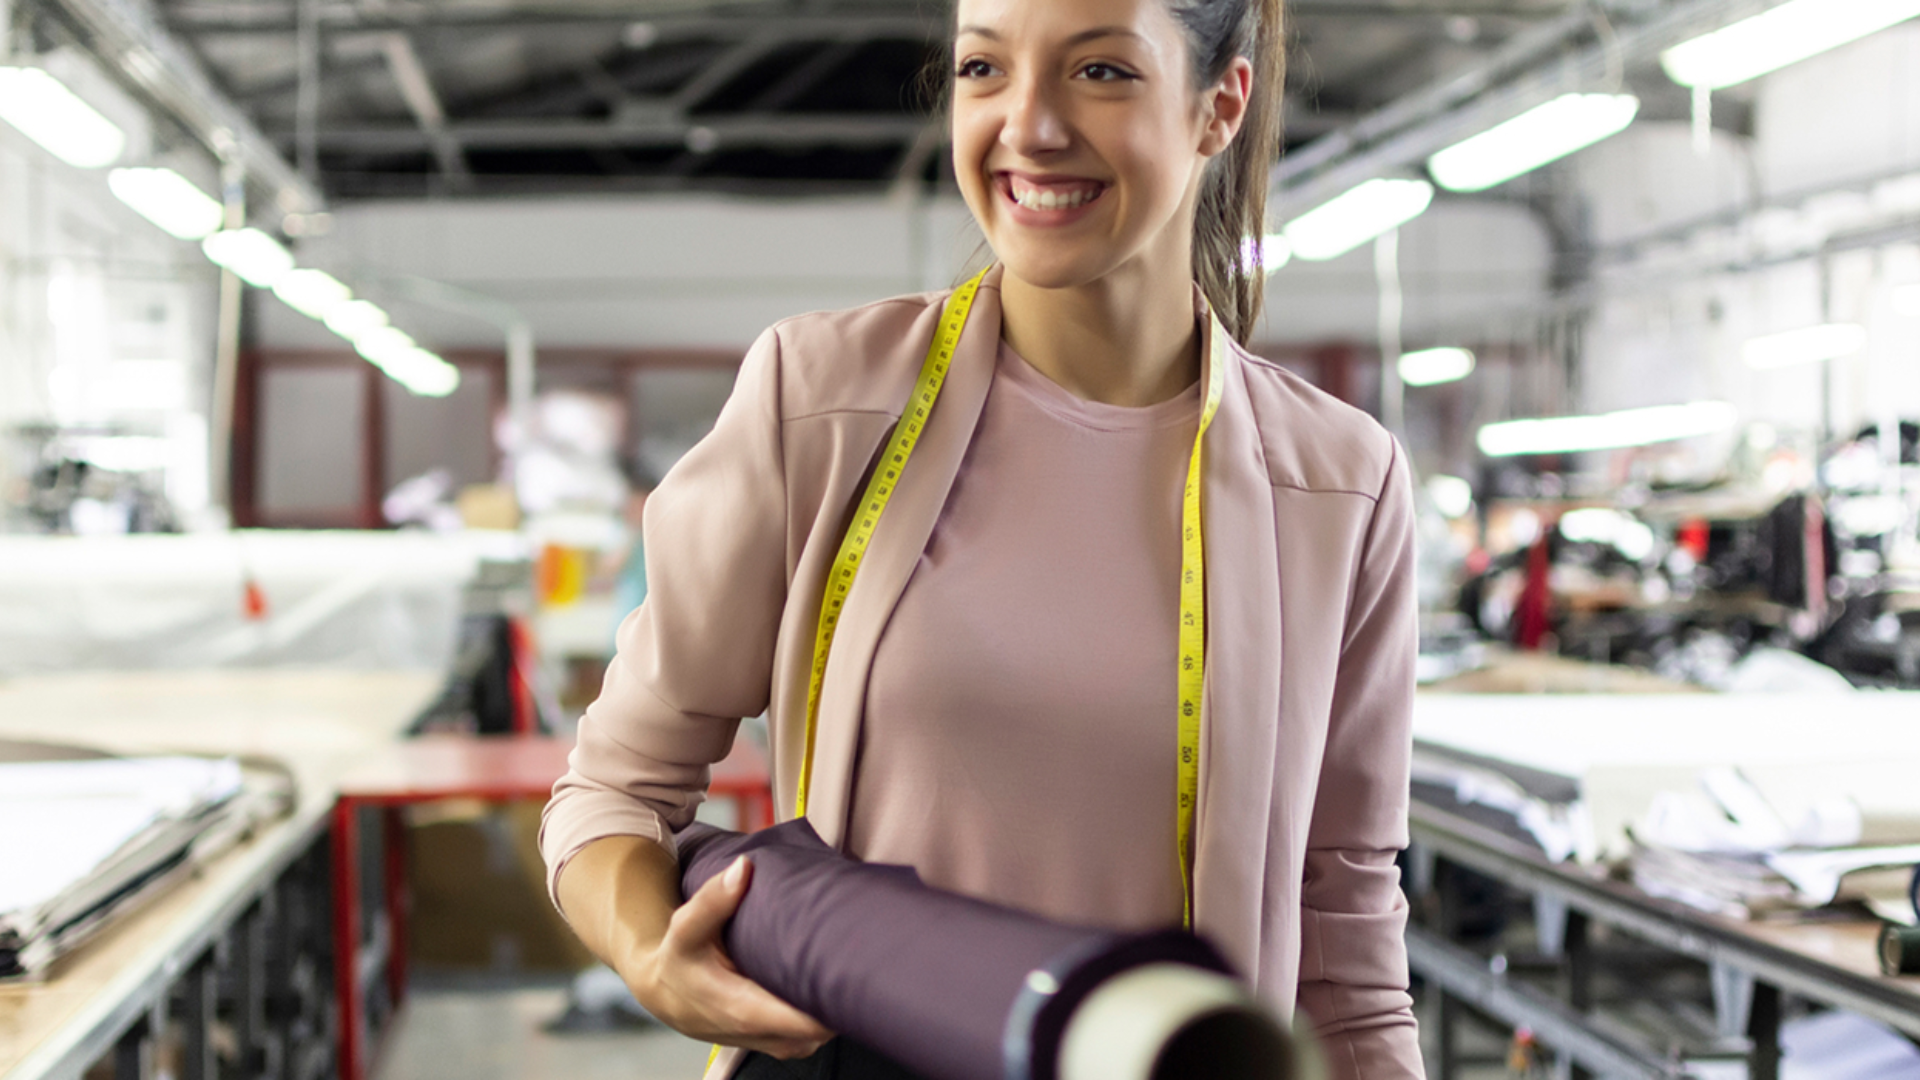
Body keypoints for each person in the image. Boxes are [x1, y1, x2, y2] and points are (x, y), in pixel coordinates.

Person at [540, 0, 1424, 1076]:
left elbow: (1343, 940)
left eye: (1100, 72)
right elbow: (615, 792)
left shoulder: (1339, 484)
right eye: (982, 69)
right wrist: (650, 956)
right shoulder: (823, 406)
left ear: (1218, 106)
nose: (1029, 124)